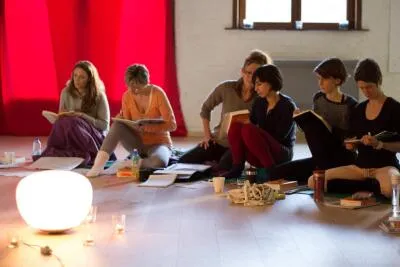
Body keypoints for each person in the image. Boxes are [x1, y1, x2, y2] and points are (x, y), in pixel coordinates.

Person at [308, 58, 400, 198]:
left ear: (379, 82)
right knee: (314, 182)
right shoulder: (359, 109)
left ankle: (366, 187)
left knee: (392, 188)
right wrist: (351, 144)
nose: (365, 92)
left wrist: (380, 144)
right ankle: (370, 188)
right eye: (361, 88)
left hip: (385, 167)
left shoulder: (394, 108)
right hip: (359, 168)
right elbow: (352, 139)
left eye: (369, 87)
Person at [178, 50, 272, 173]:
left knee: (222, 169)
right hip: (218, 140)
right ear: (242, 71)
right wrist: (207, 135)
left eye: (256, 74)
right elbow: (205, 109)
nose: (251, 77)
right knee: (183, 161)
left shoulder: (262, 97)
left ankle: (214, 164)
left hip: (238, 146)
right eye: (248, 73)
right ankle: (211, 163)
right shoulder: (226, 88)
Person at [268, 58, 358, 182]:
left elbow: (352, 138)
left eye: (324, 79)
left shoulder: (350, 104)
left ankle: (322, 173)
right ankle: (320, 171)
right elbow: (313, 129)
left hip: (341, 156)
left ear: (337, 80)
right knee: (276, 173)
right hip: (320, 156)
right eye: (318, 79)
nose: (320, 83)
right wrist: (299, 118)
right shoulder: (318, 98)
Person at [87, 64, 177, 177]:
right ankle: (98, 166)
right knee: (117, 125)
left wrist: (149, 128)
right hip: (137, 144)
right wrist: (122, 119)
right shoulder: (127, 96)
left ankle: (131, 164)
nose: (134, 91)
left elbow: (172, 125)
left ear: (146, 82)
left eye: (138, 87)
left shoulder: (158, 94)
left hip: (159, 144)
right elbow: (128, 122)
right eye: (130, 86)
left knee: (159, 162)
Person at [223, 64, 297, 179]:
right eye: (255, 84)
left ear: (271, 82)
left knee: (248, 129)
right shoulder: (259, 102)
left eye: (259, 84)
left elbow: (280, 137)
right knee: (236, 127)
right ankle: (237, 167)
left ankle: (271, 171)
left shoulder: (287, 105)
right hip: (262, 151)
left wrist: (255, 133)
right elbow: (252, 124)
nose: (256, 88)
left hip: (280, 154)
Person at [41, 60, 113, 166]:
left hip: (94, 136)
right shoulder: (65, 92)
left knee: (74, 121)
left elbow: (104, 126)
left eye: (82, 77)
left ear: (89, 79)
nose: (77, 80)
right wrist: (58, 117)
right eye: (75, 76)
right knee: (63, 122)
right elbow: (62, 116)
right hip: (71, 130)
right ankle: (61, 151)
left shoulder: (99, 96)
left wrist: (82, 116)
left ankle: (86, 153)